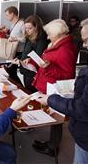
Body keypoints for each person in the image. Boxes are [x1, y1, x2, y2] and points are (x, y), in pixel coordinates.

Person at [36, 15, 88, 163]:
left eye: (86, 40)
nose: (84, 45)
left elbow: (87, 108)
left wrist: (51, 99)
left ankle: (53, 145)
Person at [30, 19, 78, 157]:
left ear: (57, 33)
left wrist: (48, 67)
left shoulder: (65, 49)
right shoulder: (56, 44)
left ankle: (53, 148)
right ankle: (51, 143)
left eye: (49, 34)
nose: (47, 36)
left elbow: (67, 75)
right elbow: (50, 61)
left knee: (56, 118)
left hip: (55, 88)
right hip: (49, 85)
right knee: (53, 116)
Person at [18, 15, 49, 92]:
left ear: (37, 27)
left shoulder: (42, 39)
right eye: (26, 28)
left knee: (31, 91)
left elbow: (39, 56)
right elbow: (26, 52)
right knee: (27, 89)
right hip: (26, 69)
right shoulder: (29, 37)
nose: (27, 30)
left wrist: (29, 59)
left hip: (34, 72)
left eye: (30, 28)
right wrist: (19, 58)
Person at [4, 6, 26, 84]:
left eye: (7, 15)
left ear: (12, 14)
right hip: (13, 51)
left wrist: (15, 38)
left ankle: (20, 88)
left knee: (11, 72)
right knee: (10, 71)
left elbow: (25, 39)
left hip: (19, 52)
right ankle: (18, 87)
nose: (6, 17)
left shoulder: (22, 24)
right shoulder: (13, 24)